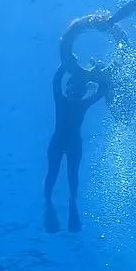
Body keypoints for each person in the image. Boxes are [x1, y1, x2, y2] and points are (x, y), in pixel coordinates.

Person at [43, 67, 105, 233]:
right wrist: (98, 75)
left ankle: (61, 202)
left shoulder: (68, 101)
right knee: (60, 173)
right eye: (74, 86)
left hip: (62, 143)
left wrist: (66, 65)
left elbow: (56, 82)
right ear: (69, 88)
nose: (75, 90)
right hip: (69, 144)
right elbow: (101, 91)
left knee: (65, 174)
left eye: (79, 88)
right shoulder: (80, 103)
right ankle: (56, 202)